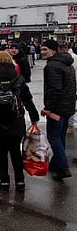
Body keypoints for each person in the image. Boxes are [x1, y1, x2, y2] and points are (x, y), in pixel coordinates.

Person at [0, 51, 39, 191]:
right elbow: (28, 99)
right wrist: (34, 118)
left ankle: (4, 181)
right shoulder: (18, 78)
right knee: (16, 151)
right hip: (16, 120)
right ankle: (20, 181)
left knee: (1, 152)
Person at [40, 39, 76, 181]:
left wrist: (48, 108)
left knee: (54, 137)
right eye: (41, 49)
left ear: (53, 50)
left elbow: (55, 89)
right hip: (68, 106)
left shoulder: (53, 66)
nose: (42, 52)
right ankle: (56, 163)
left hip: (57, 109)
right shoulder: (67, 64)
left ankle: (63, 167)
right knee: (60, 137)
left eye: (45, 49)